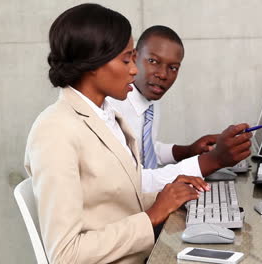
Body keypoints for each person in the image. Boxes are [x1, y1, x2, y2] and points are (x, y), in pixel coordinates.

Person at [24, 4, 208, 263]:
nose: (134, 70)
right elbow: (65, 255)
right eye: (126, 60)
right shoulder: (54, 131)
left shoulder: (109, 116)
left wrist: (168, 193)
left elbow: (116, 199)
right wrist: (153, 214)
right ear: (93, 63)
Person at [108, 26, 253, 192]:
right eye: (153, 61)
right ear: (134, 57)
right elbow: (132, 181)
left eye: (173, 68)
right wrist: (213, 160)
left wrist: (188, 150)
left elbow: (143, 151)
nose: (163, 75)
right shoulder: (114, 107)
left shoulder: (151, 98)